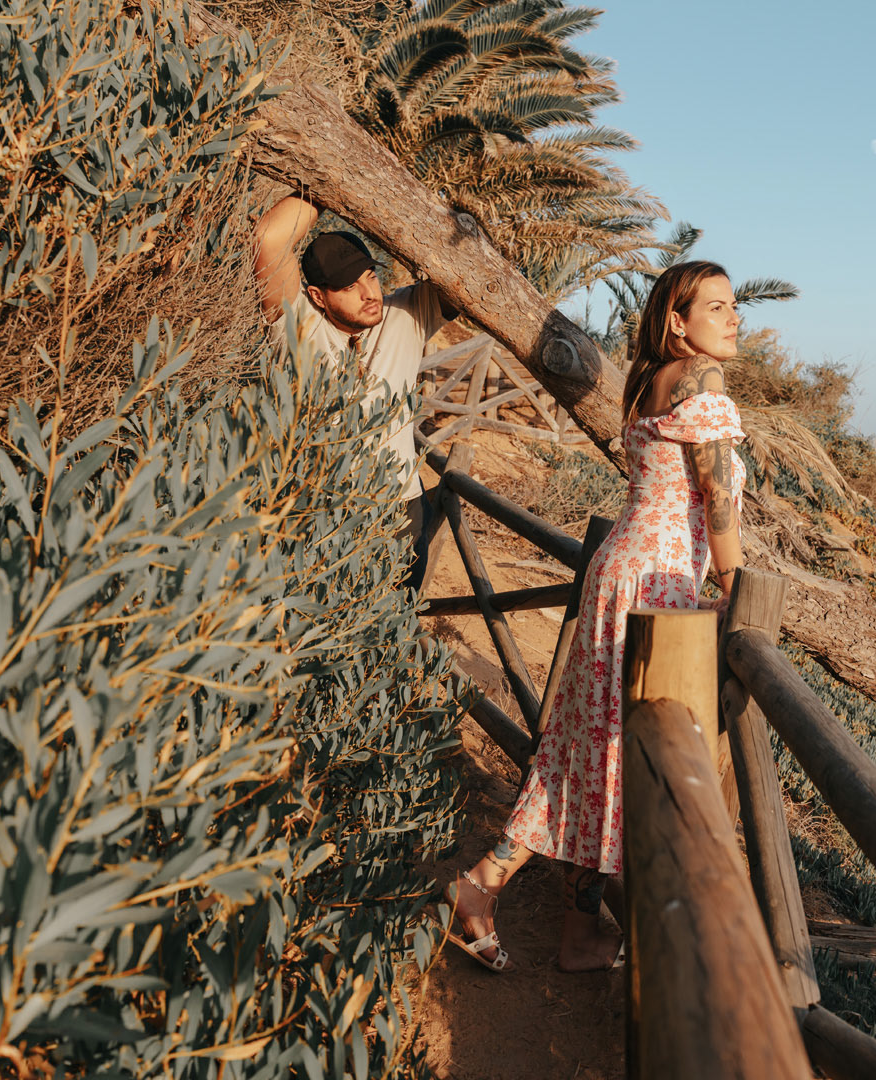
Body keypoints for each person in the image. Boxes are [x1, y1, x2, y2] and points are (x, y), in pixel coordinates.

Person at [443, 259, 746, 972]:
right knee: (614, 752)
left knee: (593, 747)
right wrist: (733, 583)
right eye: (718, 307)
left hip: (625, 569)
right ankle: (480, 885)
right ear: (678, 320)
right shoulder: (700, 379)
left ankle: (579, 933)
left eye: (736, 307)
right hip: (654, 585)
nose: (735, 318)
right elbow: (715, 494)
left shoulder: (648, 378)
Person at [252, 193, 456, 587]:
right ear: (318, 297)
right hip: (321, 514)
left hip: (402, 513)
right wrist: (328, 182)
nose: (369, 294)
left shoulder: (407, 313)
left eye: (371, 276)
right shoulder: (298, 326)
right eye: (349, 286)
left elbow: (461, 264)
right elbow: (268, 239)